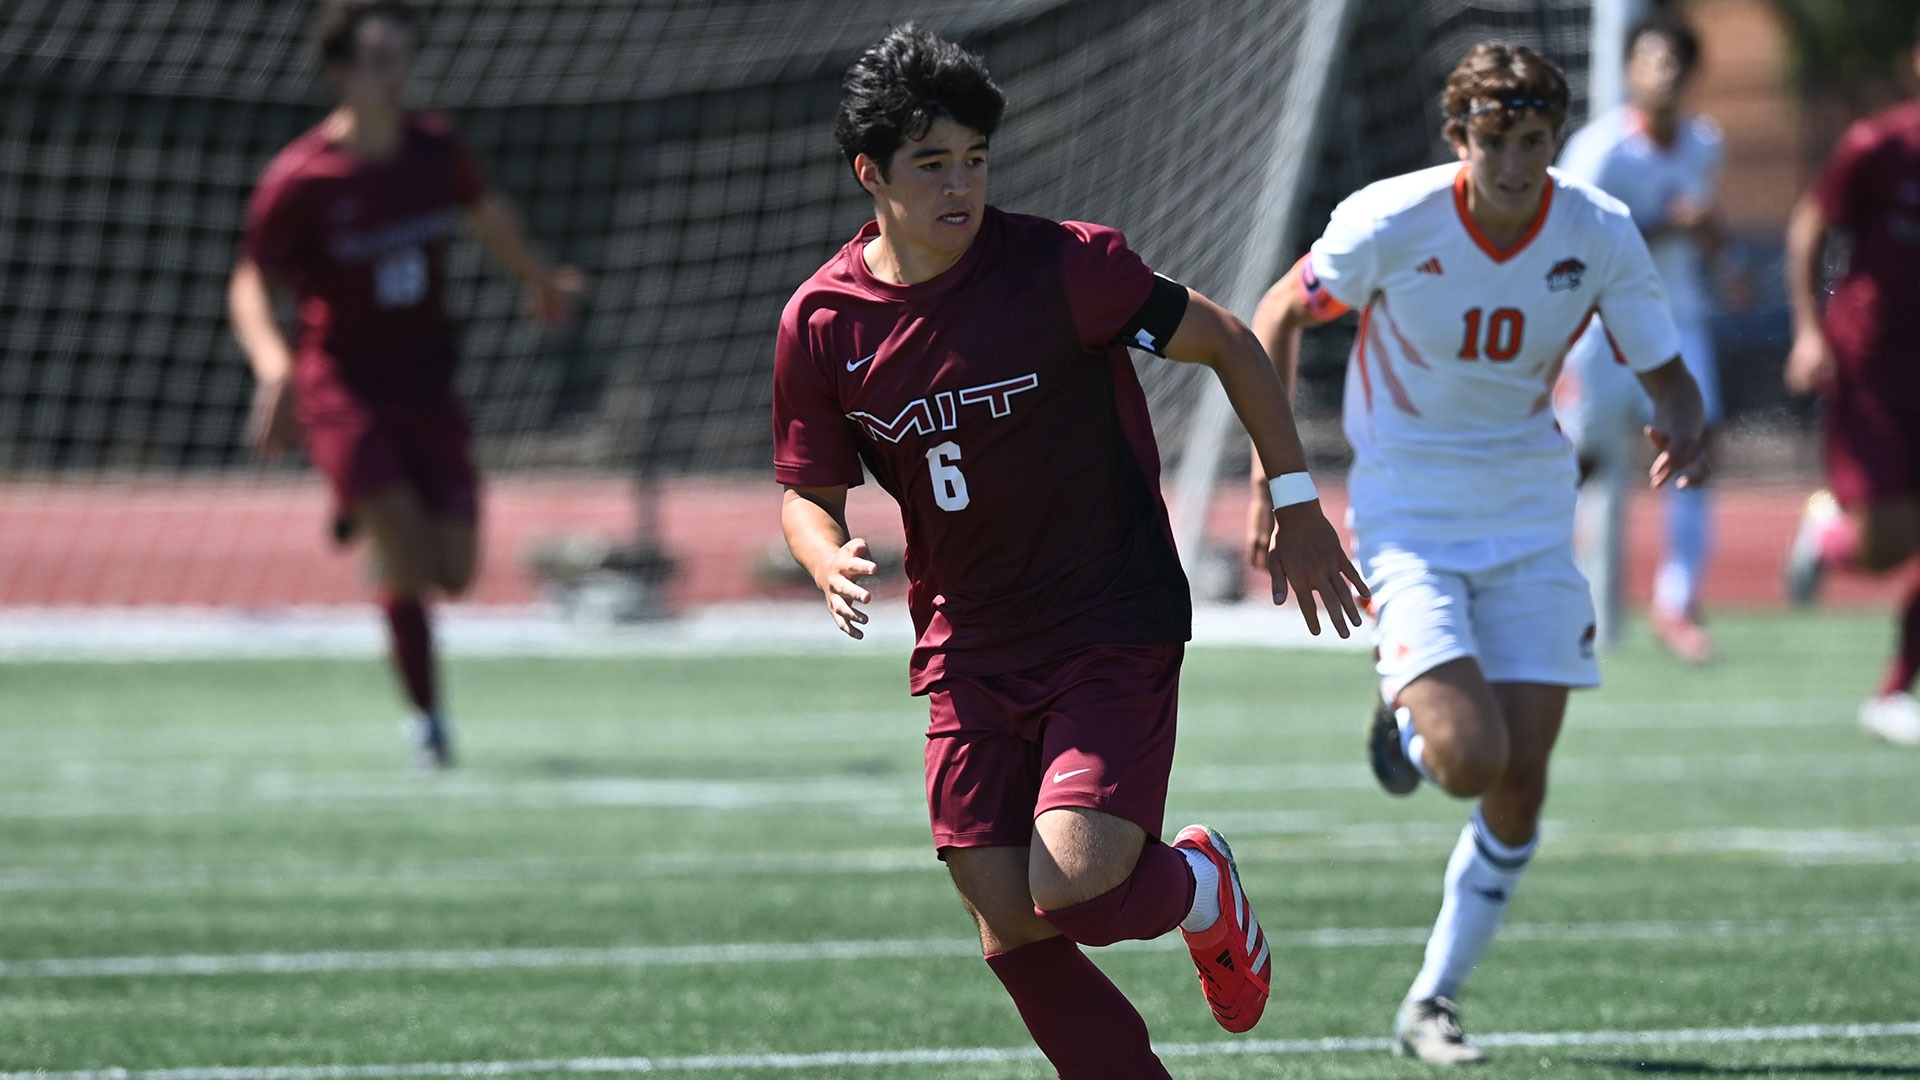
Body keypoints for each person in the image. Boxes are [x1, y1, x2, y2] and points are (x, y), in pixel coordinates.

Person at [773, 24, 1367, 1078]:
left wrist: (1296, 496)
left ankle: (1199, 889)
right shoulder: (823, 323)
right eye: (931, 165)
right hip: (968, 643)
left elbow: (1228, 339)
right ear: (870, 174)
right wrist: (824, 555)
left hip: (1108, 617)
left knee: (1078, 891)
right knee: (1008, 919)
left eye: (976, 160)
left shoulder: (1063, 267)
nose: (961, 185)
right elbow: (806, 495)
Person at [1248, 42, 1707, 1063]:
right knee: (1467, 760)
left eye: (1534, 142)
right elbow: (1278, 311)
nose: (1513, 164)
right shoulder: (1390, 221)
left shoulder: (1599, 231)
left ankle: (1432, 1001)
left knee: (1522, 783)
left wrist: (1683, 411)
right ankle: (1406, 717)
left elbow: (1663, 365)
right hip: (1409, 513)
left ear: (1555, 139)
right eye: (1494, 142)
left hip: (1534, 520)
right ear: (1459, 138)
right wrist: (1274, 484)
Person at [228, 0, 582, 768]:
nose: (397, 77)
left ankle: (371, 519)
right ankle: (427, 715)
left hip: (428, 385)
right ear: (340, 74)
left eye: (402, 59)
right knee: (410, 563)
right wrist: (274, 365)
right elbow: (249, 281)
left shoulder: (433, 150)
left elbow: (486, 214)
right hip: (344, 390)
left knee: (451, 571)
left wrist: (538, 281)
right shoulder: (303, 177)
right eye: (379, 61)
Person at [1555, 11, 1728, 663]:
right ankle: (1549, 585)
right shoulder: (1600, 151)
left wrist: (1709, 232)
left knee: (1694, 451)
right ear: (1630, 69)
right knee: (1584, 459)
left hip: (1678, 318)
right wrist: (1665, 223)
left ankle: (1676, 601)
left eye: (1676, 61)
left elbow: (1707, 237)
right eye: (1652, 58)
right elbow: (1576, 243)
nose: (1665, 71)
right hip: (1601, 327)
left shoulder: (1705, 143)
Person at [1782, 15, 1920, 747]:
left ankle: (1896, 688)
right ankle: (1829, 537)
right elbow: (1809, 226)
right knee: (1887, 545)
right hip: (1872, 369)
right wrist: (1809, 329)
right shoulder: (1879, 144)